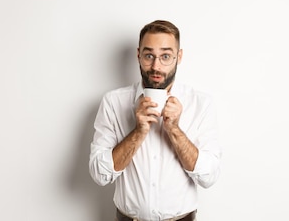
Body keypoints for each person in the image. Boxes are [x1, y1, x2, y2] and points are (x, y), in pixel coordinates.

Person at [88, 20, 222, 221]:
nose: (156, 66)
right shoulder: (113, 102)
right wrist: (139, 131)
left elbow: (208, 177)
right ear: (138, 55)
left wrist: (174, 129)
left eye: (166, 56)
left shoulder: (201, 104)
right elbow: (99, 174)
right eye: (149, 55)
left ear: (179, 57)